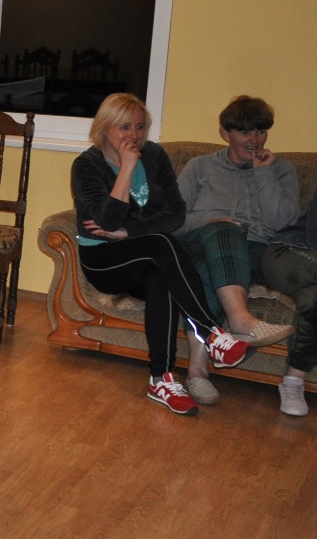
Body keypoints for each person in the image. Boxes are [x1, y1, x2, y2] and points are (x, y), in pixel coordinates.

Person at [71, 93, 248, 415]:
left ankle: (161, 378)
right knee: (160, 243)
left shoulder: (154, 156)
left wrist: (129, 231)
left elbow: (176, 214)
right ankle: (210, 331)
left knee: (161, 278)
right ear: (105, 128)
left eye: (140, 127)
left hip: (144, 254)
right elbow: (107, 221)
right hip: (105, 261)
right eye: (125, 127)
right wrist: (126, 169)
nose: (134, 135)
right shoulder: (87, 165)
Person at [173, 96, 299, 410]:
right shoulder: (200, 167)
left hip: (254, 253)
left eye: (260, 131)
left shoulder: (281, 170)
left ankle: (198, 371)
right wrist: (212, 221)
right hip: (199, 241)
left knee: (201, 271)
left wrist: (263, 174)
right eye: (244, 132)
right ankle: (241, 321)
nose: (254, 140)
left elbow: (283, 223)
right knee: (224, 231)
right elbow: (173, 220)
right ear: (224, 133)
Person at [262, 190, 317, 416]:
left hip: (311, 280)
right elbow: (314, 236)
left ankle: (293, 381)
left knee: (313, 298)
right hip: (289, 253)